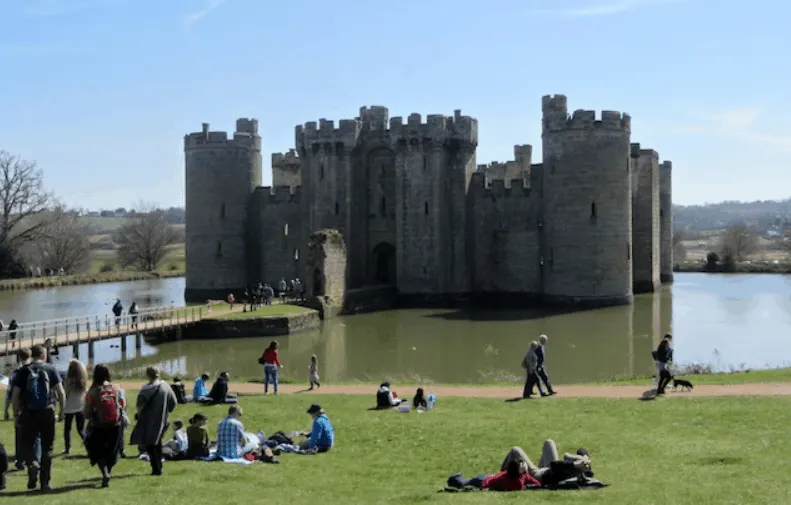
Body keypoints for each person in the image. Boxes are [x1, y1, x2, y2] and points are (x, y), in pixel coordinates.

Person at [10, 344, 66, 492]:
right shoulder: (51, 369)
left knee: (27, 443)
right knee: (48, 448)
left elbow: (15, 395)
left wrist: (16, 414)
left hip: (28, 412)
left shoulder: (22, 371)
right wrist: (62, 411)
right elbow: (61, 392)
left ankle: (32, 464)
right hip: (47, 411)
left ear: (31, 355)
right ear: (44, 355)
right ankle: (45, 483)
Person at [83, 364, 126, 488]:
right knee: (112, 451)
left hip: (98, 426)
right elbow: (122, 405)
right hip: (115, 425)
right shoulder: (116, 388)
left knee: (96, 451)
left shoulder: (92, 391)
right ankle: (109, 471)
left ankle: (105, 473)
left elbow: (86, 413)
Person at [130, 366, 178, 476]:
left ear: (147, 375)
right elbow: (173, 403)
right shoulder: (166, 386)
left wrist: (139, 415)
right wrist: (166, 411)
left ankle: (156, 468)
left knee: (150, 445)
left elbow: (140, 406)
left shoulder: (145, 389)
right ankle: (159, 466)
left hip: (148, 421)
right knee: (158, 443)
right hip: (162, 420)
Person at [5, 348, 41, 471]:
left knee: (20, 435)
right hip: (37, 407)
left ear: (19, 357)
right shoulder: (38, 369)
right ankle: (36, 460)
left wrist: (8, 411)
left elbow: (11, 394)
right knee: (36, 436)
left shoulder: (16, 373)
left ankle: (20, 461)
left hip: (22, 408)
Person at [500, 441, 592, 488]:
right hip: (548, 470)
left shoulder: (570, 469)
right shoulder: (584, 468)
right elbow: (581, 449)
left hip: (540, 476)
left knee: (516, 450)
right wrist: (585, 457)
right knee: (549, 442)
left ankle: (502, 475)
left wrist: (574, 465)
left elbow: (555, 464)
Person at [447, 459, 541, 491]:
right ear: (518, 470)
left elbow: (537, 483)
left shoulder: (521, 476)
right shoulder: (509, 480)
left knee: (467, 482)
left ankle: (457, 477)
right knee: (464, 484)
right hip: (483, 481)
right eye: (522, 464)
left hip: (489, 477)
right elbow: (519, 487)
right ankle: (454, 478)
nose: (525, 464)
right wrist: (528, 486)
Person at [63, 359, 88, 455]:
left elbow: (66, 392)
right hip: (81, 405)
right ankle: (88, 446)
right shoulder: (83, 379)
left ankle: (67, 449)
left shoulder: (69, 379)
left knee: (67, 428)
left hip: (69, 406)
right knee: (81, 429)